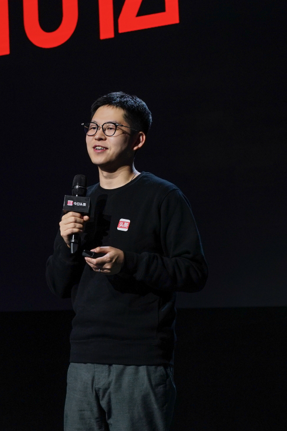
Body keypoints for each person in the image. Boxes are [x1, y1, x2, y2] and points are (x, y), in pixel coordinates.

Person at [46, 92, 208, 431]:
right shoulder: (82, 200)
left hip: (139, 362)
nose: (98, 135)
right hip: (83, 360)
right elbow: (58, 285)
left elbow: (193, 272)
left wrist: (128, 263)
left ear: (138, 140)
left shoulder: (162, 196)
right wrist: (65, 242)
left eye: (110, 128)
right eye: (92, 127)